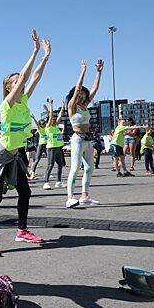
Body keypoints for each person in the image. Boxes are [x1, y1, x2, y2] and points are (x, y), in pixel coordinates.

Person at [0, 30, 50, 257]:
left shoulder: (24, 101)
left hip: (17, 155)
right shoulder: (6, 104)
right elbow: (27, 76)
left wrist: (45, 58)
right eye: (16, 81)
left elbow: (34, 77)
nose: (21, 83)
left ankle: (22, 230)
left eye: (20, 80)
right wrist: (35, 51)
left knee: (25, 192)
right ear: (9, 87)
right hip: (1, 155)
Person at [65, 59, 103, 208]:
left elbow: (95, 88)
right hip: (77, 139)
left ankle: (84, 196)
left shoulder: (85, 106)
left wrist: (99, 73)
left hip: (88, 139)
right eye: (79, 94)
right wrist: (83, 71)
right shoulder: (71, 107)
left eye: (83, 95)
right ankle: (70, 198)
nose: (81, 96)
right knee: (75, 168)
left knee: (89, 168)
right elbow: (77, 89)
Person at [42, 99, 65, 190]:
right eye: (52, 120)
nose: (54, 120)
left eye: (55, 120)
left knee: (60, 164)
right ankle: (46, 183)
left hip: (58, 148)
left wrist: (62, 107)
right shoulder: (48, 128)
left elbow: (59, 116)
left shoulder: (56, 127)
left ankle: (58, 182)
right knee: (50, 165)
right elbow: (51, 115)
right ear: (50, 121)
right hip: (51, 148)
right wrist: (51, 105)